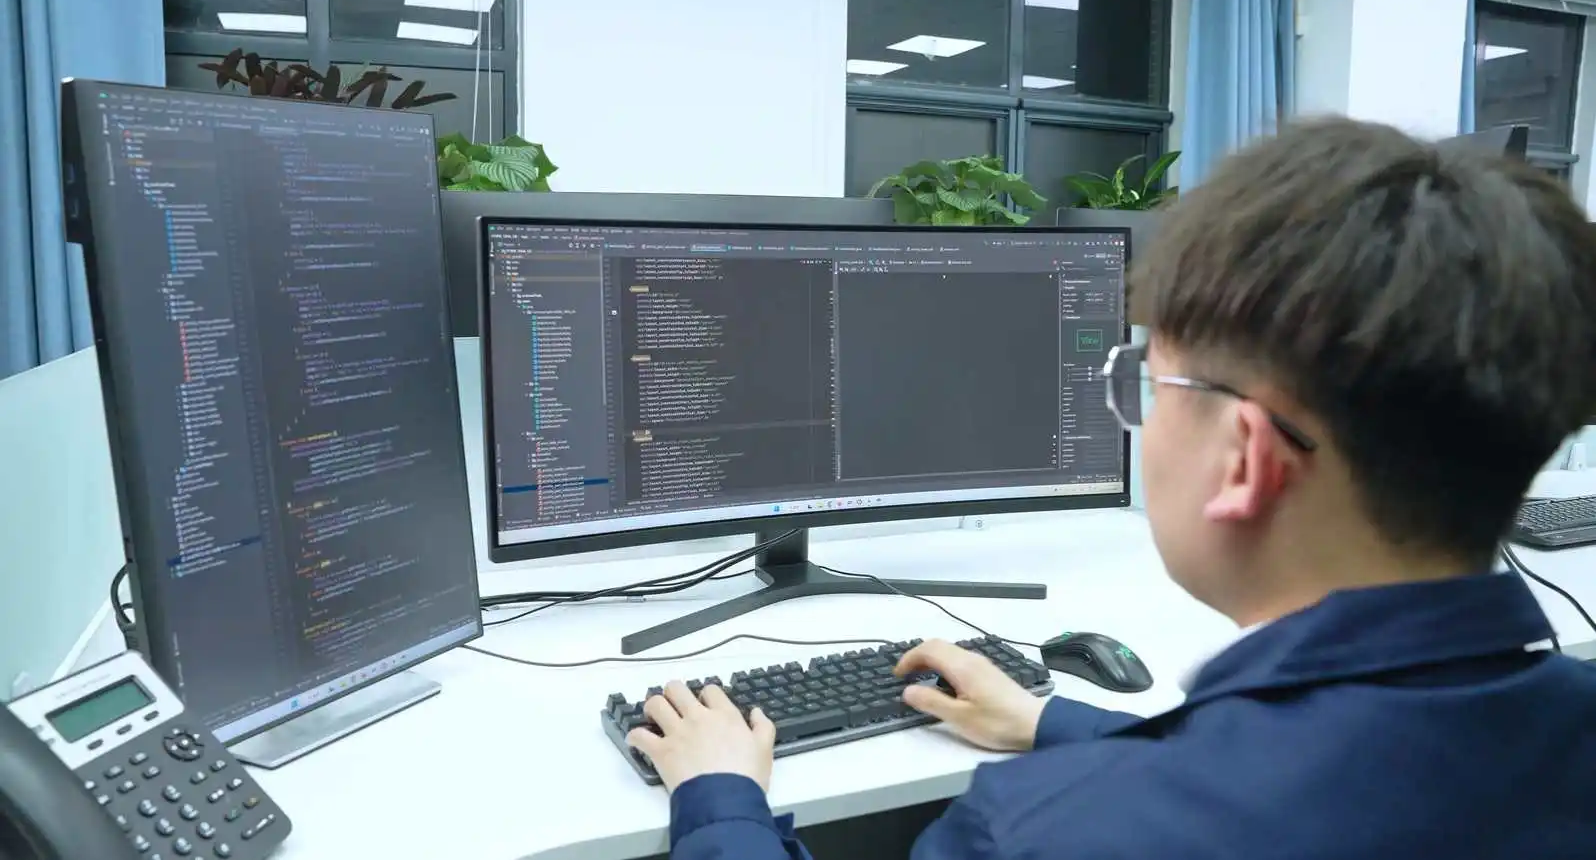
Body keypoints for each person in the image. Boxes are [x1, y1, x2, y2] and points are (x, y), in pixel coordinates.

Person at [626, 117, 1596, 859]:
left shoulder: (1045, 833)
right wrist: (1052, 721)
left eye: (1149, 385)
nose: (1136, 418)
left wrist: (720, 799)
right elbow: (1317, 768)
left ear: (1245, 458)